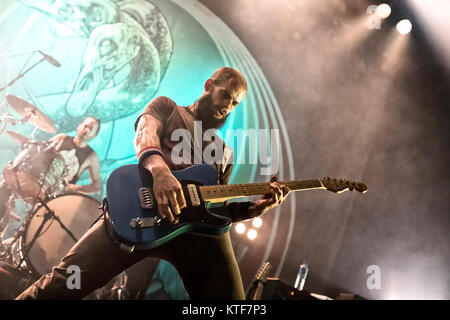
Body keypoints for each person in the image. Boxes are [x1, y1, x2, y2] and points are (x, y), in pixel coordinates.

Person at [15, 67, 291, 300]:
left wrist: (251, 210)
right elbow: (144, 135)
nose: (227, 107)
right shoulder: (166, 107)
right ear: (209, 85)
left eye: (234, 104)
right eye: (225, 96)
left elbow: (214, 210)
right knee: (65, 283)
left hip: (191, 235)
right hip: (136, 214)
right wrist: (160, 172)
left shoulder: (226, 154)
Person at [0, 116, 102, 222]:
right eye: (85, 126)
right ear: (79, 125)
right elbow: (41, 152)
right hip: (39, 182)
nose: (86, 130)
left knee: (40, 222)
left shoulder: (92, 157)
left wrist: (73, 188)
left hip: (57, 196)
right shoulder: (61, 138)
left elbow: (97, 185)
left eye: (91, 129)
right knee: (6, 188)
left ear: (94, 135)